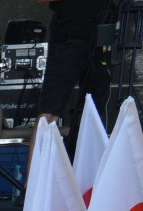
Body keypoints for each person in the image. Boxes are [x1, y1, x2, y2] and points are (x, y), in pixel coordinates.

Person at [35, 0, 114, 156]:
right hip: (69, 36)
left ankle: (94, 174)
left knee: (96, 112)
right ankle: (34, 178)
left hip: (103, 32)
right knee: (49, 113)